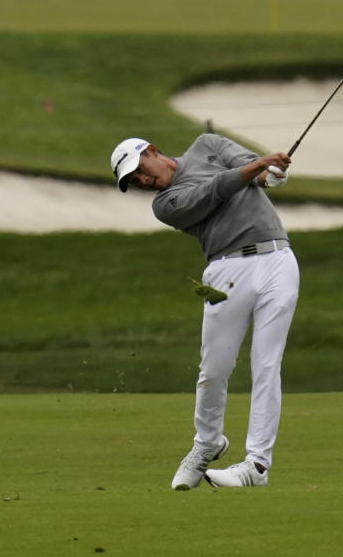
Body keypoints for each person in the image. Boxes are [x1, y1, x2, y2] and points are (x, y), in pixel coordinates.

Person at [110, 133, 298, 490]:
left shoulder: (207, 145)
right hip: (225, 271)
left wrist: (273, 172)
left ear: (151, 150)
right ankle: (207, 443)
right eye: (134, 182)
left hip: (278, 259)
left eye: (139, 170)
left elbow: (257, 174)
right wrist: (257, 166)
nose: (142, 181)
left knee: (267, 364)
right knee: (214, 369)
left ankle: (257, 465)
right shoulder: (165, 204)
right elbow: (215, 191)